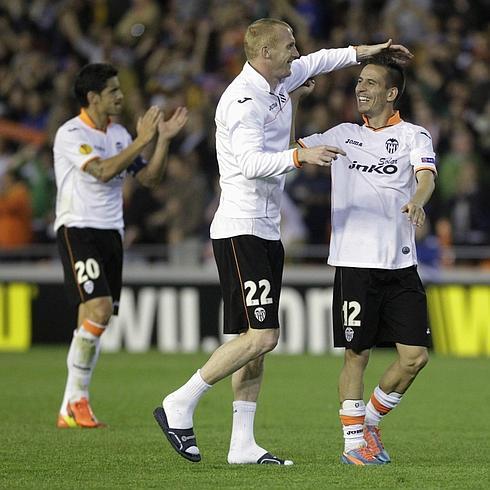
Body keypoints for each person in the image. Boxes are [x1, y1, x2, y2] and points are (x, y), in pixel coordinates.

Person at [153, 17, 411, 465]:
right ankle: (180, 401)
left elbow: (319, 61)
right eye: (289, 46)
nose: (297, 52)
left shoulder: (276, 81)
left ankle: (242, 445)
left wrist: (364, 52)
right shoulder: (242, 100)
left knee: (250, 345)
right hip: (242, 227)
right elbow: (251, 163)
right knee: (263, 336)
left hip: (265, 227)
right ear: (265, 53)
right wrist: (301, 153)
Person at [292, 52, 436, 465]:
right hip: (355, 263)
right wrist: (298, 102)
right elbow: (293, 152)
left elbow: (425, 176)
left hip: (401, 264)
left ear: (391, 93)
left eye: (371, 82)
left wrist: (417, 201)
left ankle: (370, 421)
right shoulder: (341, 134)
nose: (361, 88)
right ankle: (354, 445)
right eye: (359, 82)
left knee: (415, 357)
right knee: (356, 354)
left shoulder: (413, 135)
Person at [54, 63, 187, 428]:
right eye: (114, 91)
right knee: (96, 310)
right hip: (78, 228)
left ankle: (71, 405)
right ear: (93, 97)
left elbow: (148, 177)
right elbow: (102, 171)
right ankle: (76, 401)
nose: (121, 96)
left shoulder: (118, 134)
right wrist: (142, 140)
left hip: (111, 232)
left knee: (92, 320)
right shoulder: (70, 133)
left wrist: (161, 139)